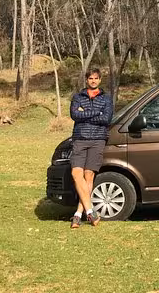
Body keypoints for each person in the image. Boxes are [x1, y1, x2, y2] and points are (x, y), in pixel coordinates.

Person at [68, 68, 113, 228]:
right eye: (90, 78)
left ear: (100, 80)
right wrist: (96, 112)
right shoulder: (77, 97)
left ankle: (78, 214)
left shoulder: (106, 98)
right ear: (87, 80)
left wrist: (85, 113)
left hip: (98, 140)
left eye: (96, 78)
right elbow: (74, 115)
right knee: (76, 173)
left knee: (89, 177)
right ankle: (90, 210)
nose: (93, 81)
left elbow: (106, 119)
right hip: (80, 139)